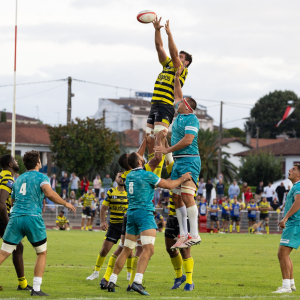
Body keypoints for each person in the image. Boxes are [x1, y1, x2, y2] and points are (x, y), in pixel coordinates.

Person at [107, 152, 191, 295]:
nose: (143, 158)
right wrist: (183, 178)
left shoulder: (128, 176)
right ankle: (137, 282)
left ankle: (112, 280)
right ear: (140, 162)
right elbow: (169, 185)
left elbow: (147, 185)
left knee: (126, 249)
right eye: (141, 158)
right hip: (144, 214)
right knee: (149, 250)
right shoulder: (147, 175)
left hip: (131, 214)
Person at [0, 150, 75, 296]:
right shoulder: (41, 177)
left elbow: (12, 201)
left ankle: (28, 285)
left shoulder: (19, 178)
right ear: (38, 163)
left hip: (15, 218)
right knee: (41, 252)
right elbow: (48, 193)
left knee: (3, 253)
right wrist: (65, 203)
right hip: (32, 217)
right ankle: (36, 288)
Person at [154, 64, 201, 249]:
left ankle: (195, 234)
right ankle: (183, 234)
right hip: (180, 162)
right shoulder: (180, 115)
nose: (178, 102)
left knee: (188, 196)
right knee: (176, 198)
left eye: (182, 102)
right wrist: (176, 77)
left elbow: (188, 141)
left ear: (187, 106)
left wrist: (167, 150)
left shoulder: (192, 119)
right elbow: (177, 93)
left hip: (190, 159)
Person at [146, 16, 191, 160]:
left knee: (159, 136)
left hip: (165, 105)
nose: (178, 57)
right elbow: (159, 47)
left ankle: (157, 171)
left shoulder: (181, 70)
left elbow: (172, 53)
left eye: (181, 57)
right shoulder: (167, 65)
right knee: (149, 138)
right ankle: (169, 165)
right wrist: (157, 30)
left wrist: (169, 34)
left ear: (186, 62)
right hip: (154, 104)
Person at [86, 172, 128, 282]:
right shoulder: (110, 192)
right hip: (114, 226)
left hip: (127, 226)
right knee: (104, 250)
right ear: (116, 179)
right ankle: (96, 272)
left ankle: (129, 274)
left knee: (129, 251)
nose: (122, 178)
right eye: (119, 176)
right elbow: (103, 208)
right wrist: (103, 221)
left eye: (124, 176)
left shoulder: (130, 193)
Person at [0, 154, 31, 291]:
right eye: (14, 160)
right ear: (10, 164)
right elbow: (1, 203)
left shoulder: (1, 175)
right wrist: (8, 223)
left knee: (17, 247)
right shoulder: (8, 178)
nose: (16, 161)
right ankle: (22, 284)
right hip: (1, 218)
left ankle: (22, 284)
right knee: (17, 246)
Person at [273, 164, 300, 293]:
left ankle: (285, 287)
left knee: (282, 254)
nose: (290, 170)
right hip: (293, 224)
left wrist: (285, 218)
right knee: (285, 255)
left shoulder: (299, 186)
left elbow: (298, 203)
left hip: (294, 224)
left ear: (299, 174)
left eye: (293, 169)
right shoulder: (295, 186)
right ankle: (291, 283)